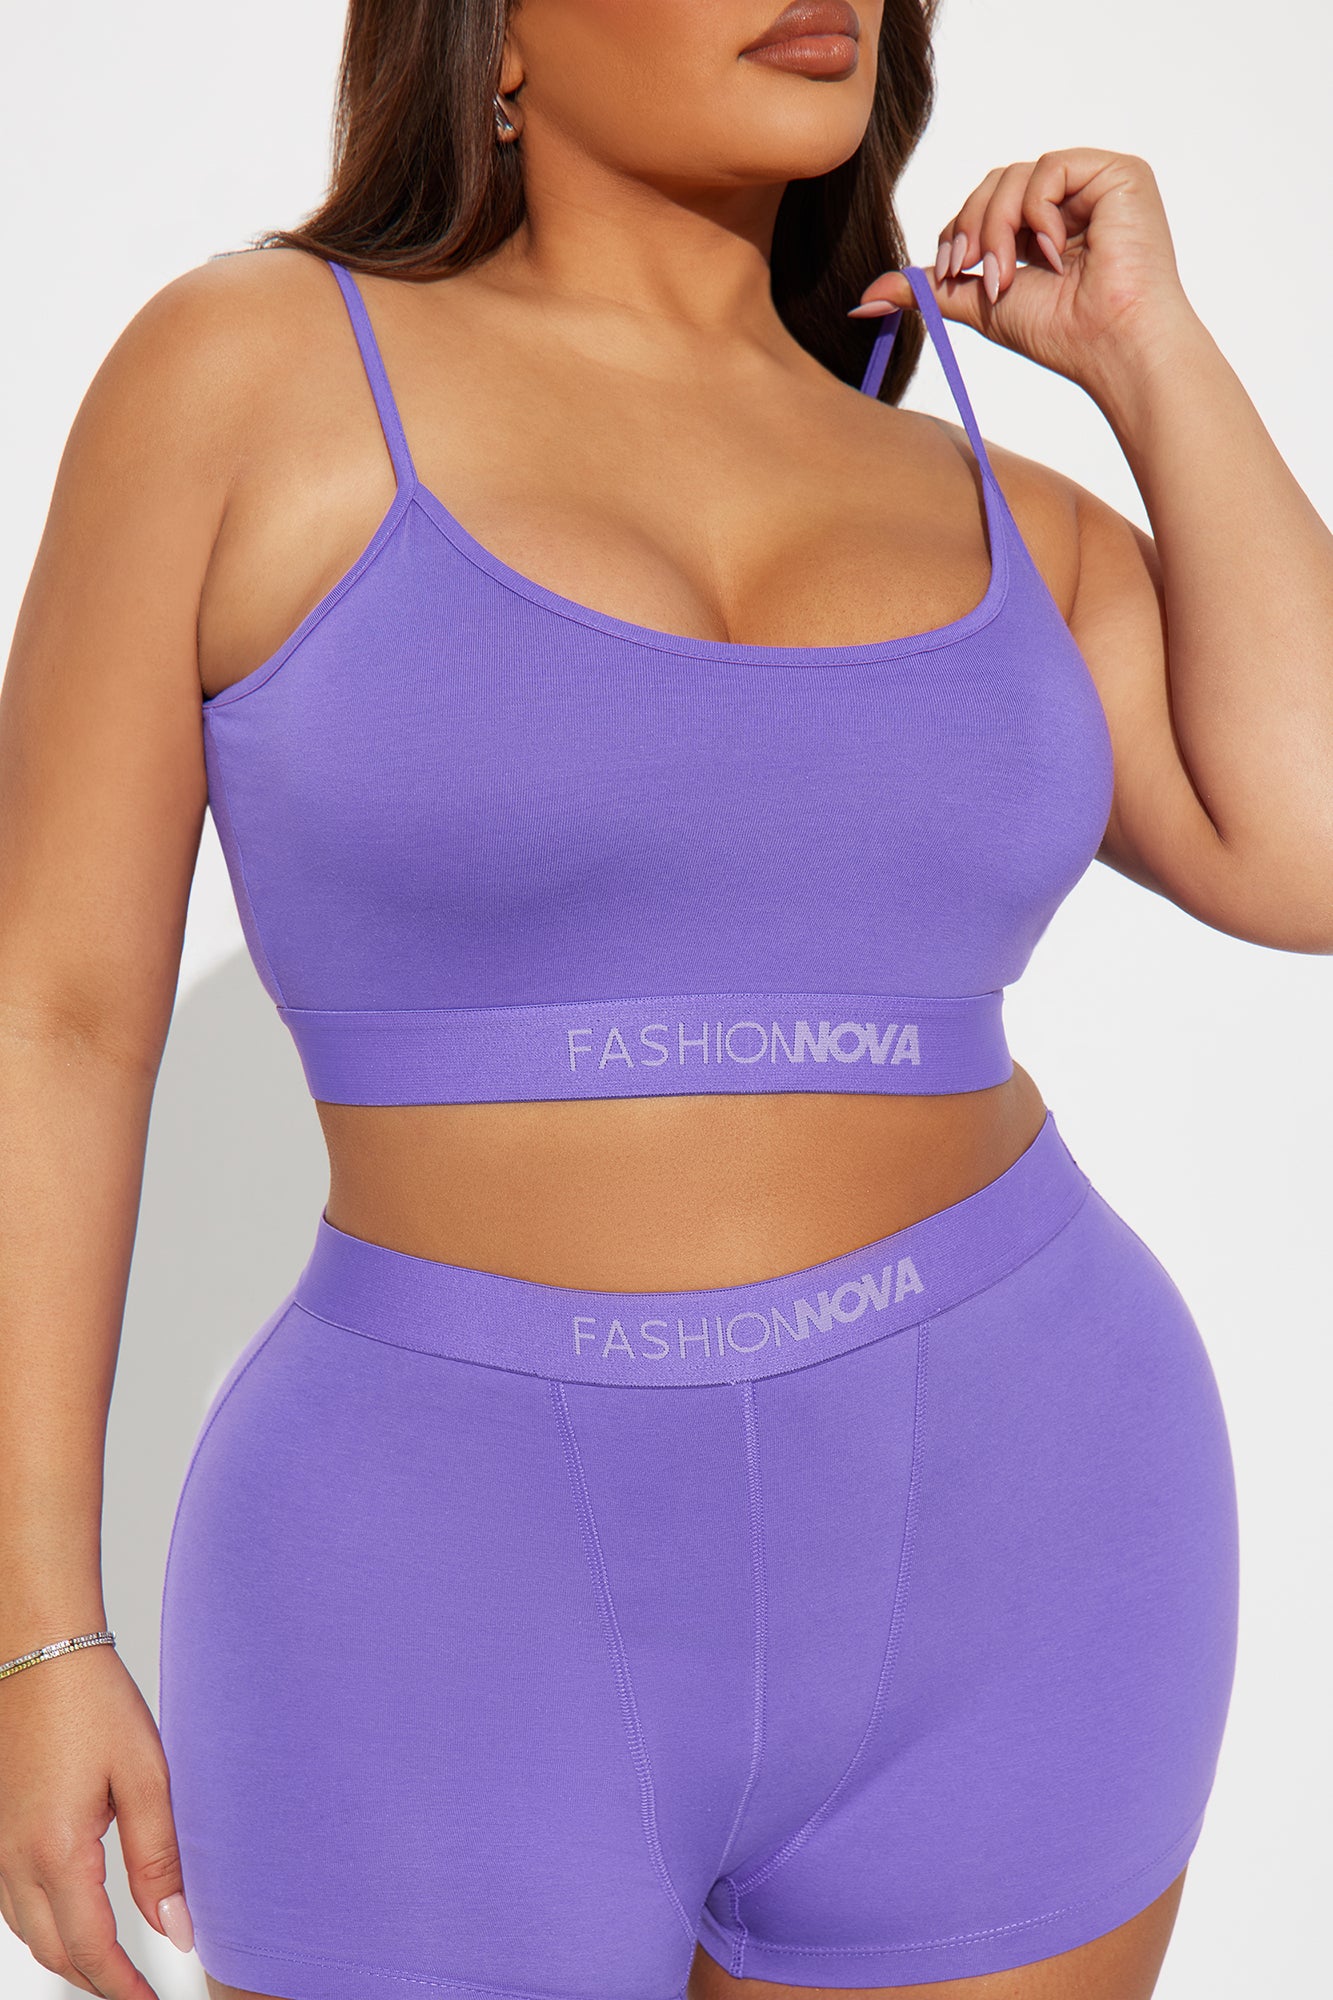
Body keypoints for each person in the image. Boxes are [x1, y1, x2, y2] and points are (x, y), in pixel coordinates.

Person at [2, 3, 1329, 1997]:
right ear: (495, 37)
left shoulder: (995, 505)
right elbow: (54, 1013)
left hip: (1023, 1522)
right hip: (434, 1575)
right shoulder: (250, 372)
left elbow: (1305, 843)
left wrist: (1152, 355)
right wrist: (36, 1629)